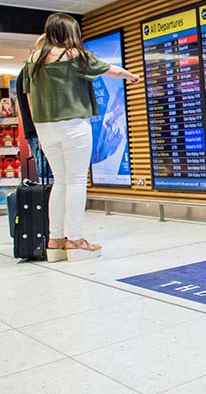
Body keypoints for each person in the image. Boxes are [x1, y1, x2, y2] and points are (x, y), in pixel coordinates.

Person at [22, 13, 140, 261]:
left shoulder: (32, 60)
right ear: (69, 32)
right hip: (74, 125)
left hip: (45, 127)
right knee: (75, 181)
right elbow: (111, 70)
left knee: (60, 181)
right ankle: (75, 240)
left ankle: (55, 241)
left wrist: (39, 130)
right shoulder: (74, 55)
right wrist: (131, 76)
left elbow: (29, 98)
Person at [15, 34, 51, 180]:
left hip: (38, 131)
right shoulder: (31, 73)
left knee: (48, 175)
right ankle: (47, 203)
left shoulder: (27, 73)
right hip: (40, 131)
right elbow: (33, 104)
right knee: (49, 176)